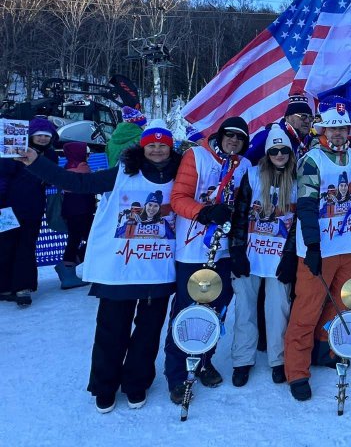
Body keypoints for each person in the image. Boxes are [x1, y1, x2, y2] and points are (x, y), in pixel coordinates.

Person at [18, 120, 181, 412]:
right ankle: (104, 385)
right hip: (119, 269)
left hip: (158, 268)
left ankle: (136, 383)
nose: (157, 150)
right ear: (143, 148)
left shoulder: (181, 179)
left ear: (170, 148)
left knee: (148, 331)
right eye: (151, 145)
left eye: (162, 145)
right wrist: (35, 162)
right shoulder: (122, 173)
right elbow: (79, 183)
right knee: (111, 329)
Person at [164, 116, 252, 403]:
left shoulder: (244, 166)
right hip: (192, 249)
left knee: (218, 309)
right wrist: (203, 212)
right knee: (186, 310)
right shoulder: (197, 155)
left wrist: (239, 247)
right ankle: (176, 373)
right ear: (221, 135)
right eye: (230, 135)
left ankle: (204, 359)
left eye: (240, 138)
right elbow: (178, 198)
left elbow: (243, 209)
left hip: (224, 250)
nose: (234, 141)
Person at [283, 97, 351, 401]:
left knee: (339, 305)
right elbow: (305, 206)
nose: (339, 134)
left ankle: (325, 350)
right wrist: (313, 244)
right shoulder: (313, 159)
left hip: (347, 245)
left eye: (343, 128)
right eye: (333, 129)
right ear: (322, 132)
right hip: (319, 248)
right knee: (307, 310)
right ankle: (297, 371)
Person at [228, 124, 295, 387]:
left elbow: (298, 221)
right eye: (275, 150)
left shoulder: (297, 178)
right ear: (267, 153)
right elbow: (240, 213)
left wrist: (290, 256)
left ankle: (277, 360)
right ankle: (242, 360)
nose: (280, 155)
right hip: (251, 254)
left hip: (278, 257)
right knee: (245, 308)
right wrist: (236, 249)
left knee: (278, 309)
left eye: (284, 150)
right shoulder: (253, 175)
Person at [0, 117, 58, 306]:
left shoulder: (49, 156)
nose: (42, 139)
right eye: (39, 135)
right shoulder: (15, 151)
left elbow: (52, 178)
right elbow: (3, 176)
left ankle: (23, 288)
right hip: (8, 208)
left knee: (26, 245)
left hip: (33, 208)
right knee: (6, 245)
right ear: (30, 136)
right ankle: (5, 286)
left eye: (46, 136)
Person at [54, 141, 94, 289]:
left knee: (75, 238)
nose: (88, 155)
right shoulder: (82, 168)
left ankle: (67, 266)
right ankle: (68, 266)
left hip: (71, 211)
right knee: (93, 239)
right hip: (82, 211)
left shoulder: (68, 167)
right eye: (86, 152)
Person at [245, 94, 314, 164]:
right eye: (303, 117)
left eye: (310, 117)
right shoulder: (268, 135)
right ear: (288, 117)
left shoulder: (311, 141)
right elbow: (246, 161)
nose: (307, 121)